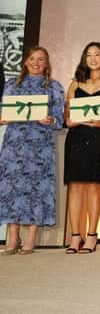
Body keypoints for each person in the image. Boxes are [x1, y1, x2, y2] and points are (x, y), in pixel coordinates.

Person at [0, 47, 64, 255]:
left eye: (41, 59)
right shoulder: (12, 85)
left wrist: (51, 120)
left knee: (37, 189)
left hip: (40, 146)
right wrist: (4, 118)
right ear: (25, 62)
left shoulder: (53, 87)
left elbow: (59, 119)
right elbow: (3, 113)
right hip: (15, 145)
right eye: (32, 59)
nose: (36, 63)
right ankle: (12, 236)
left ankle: (30, 238)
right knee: (11, 189)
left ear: (47, 64)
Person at [63, 42, 100, 254]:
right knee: (75, 185)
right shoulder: (75, 85)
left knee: (94, 185)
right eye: (89, 55)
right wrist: (70, 121)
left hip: (98, 137)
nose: (93, 58)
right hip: (76, 137)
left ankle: (93, 235)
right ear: (84, 59)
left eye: (97, 55)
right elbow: (67, 116)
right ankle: (75, 236)